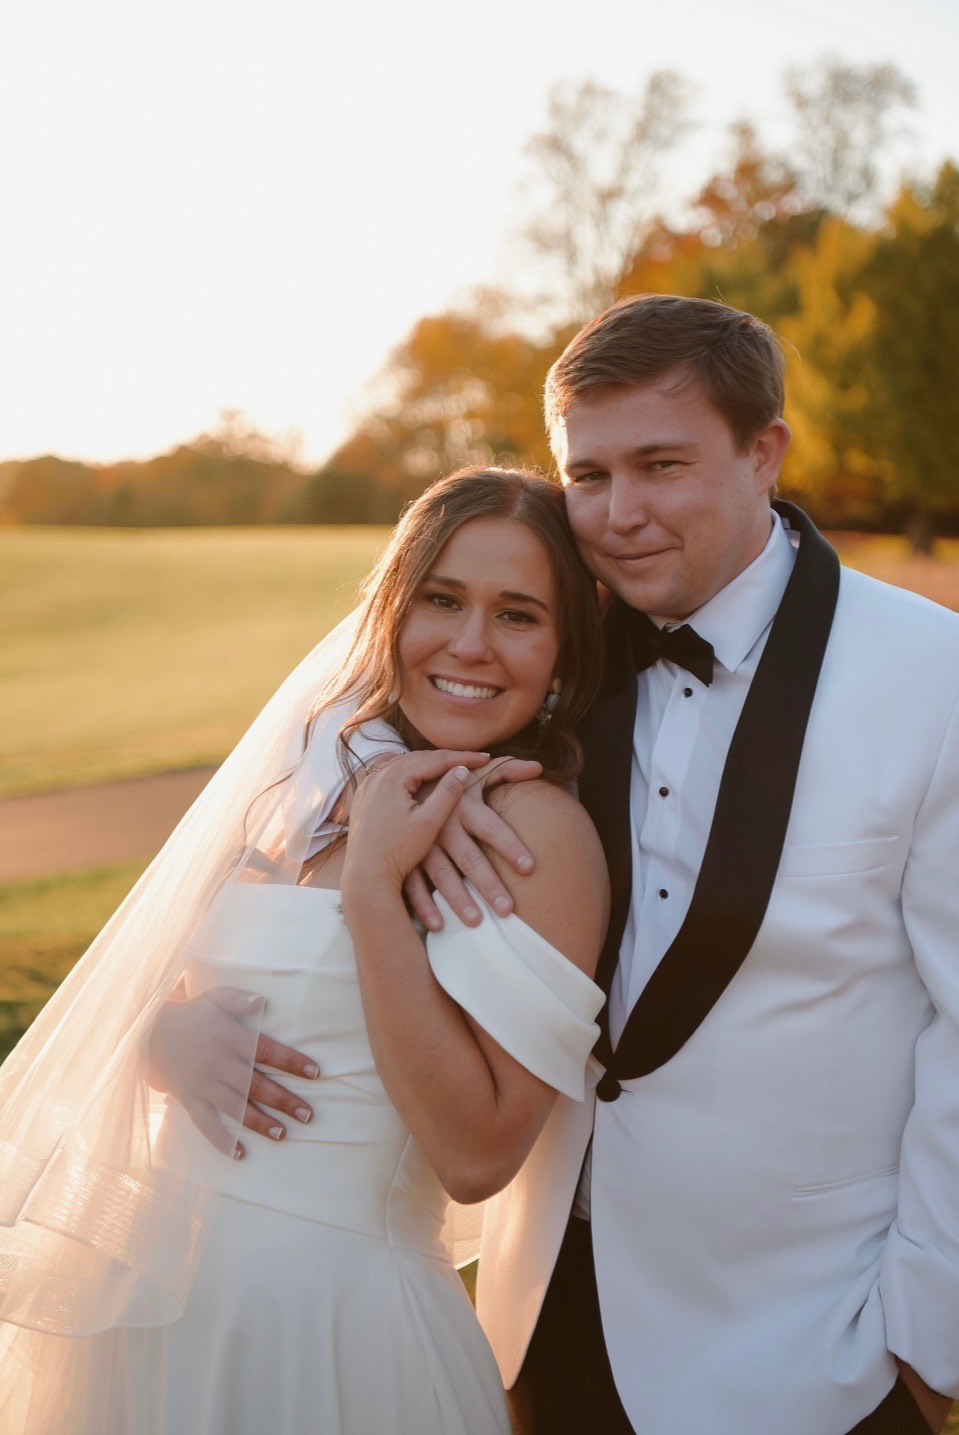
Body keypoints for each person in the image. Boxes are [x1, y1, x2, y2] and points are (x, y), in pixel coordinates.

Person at [416, 296, 959, 1434]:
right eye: (589, 474)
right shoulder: (538, 641)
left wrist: (928, 1329)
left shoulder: (931, 675)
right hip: (543, 1314)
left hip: (816, 1344)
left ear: (764, 452)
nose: (618, 516)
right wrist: (195, 1012)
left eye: (660, 464)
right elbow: (351, 780)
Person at [0, 467, 609, 1435]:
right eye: (440, 600)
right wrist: (159, 1036)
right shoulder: (308, 786)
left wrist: (374, 892)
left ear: (565, 647)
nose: (468, 644)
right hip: (154, 1300)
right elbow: (163, 982)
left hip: (330, 1323)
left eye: (517, 614)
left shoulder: (529, 830)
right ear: (391, 608)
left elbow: (477, 1153)